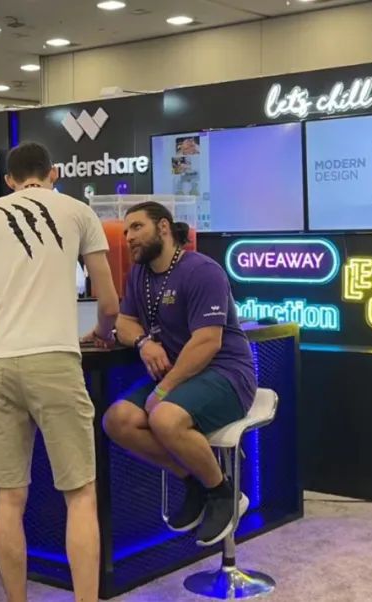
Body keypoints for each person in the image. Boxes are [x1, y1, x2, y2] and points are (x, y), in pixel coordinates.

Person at [0, 142, 119, 602]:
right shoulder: (78, 212)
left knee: (8, 497)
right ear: (54, 173)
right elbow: (109, 302)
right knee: (80, 494)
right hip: (54, 359)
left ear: (8, 179)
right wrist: (102, 332)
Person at [97, 201, 257, 547]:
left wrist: (163, 390)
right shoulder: (139, 274)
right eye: (125, 231)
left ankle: (223, 492)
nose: (128, 237)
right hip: (182, 378)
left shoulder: (202, 271)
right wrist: (143, 343)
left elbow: (207, 342)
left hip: (226, 374)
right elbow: (125, 322)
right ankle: (195, 481)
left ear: (164, 227)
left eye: (137, 227)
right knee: (117, 420)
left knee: (164, 418)